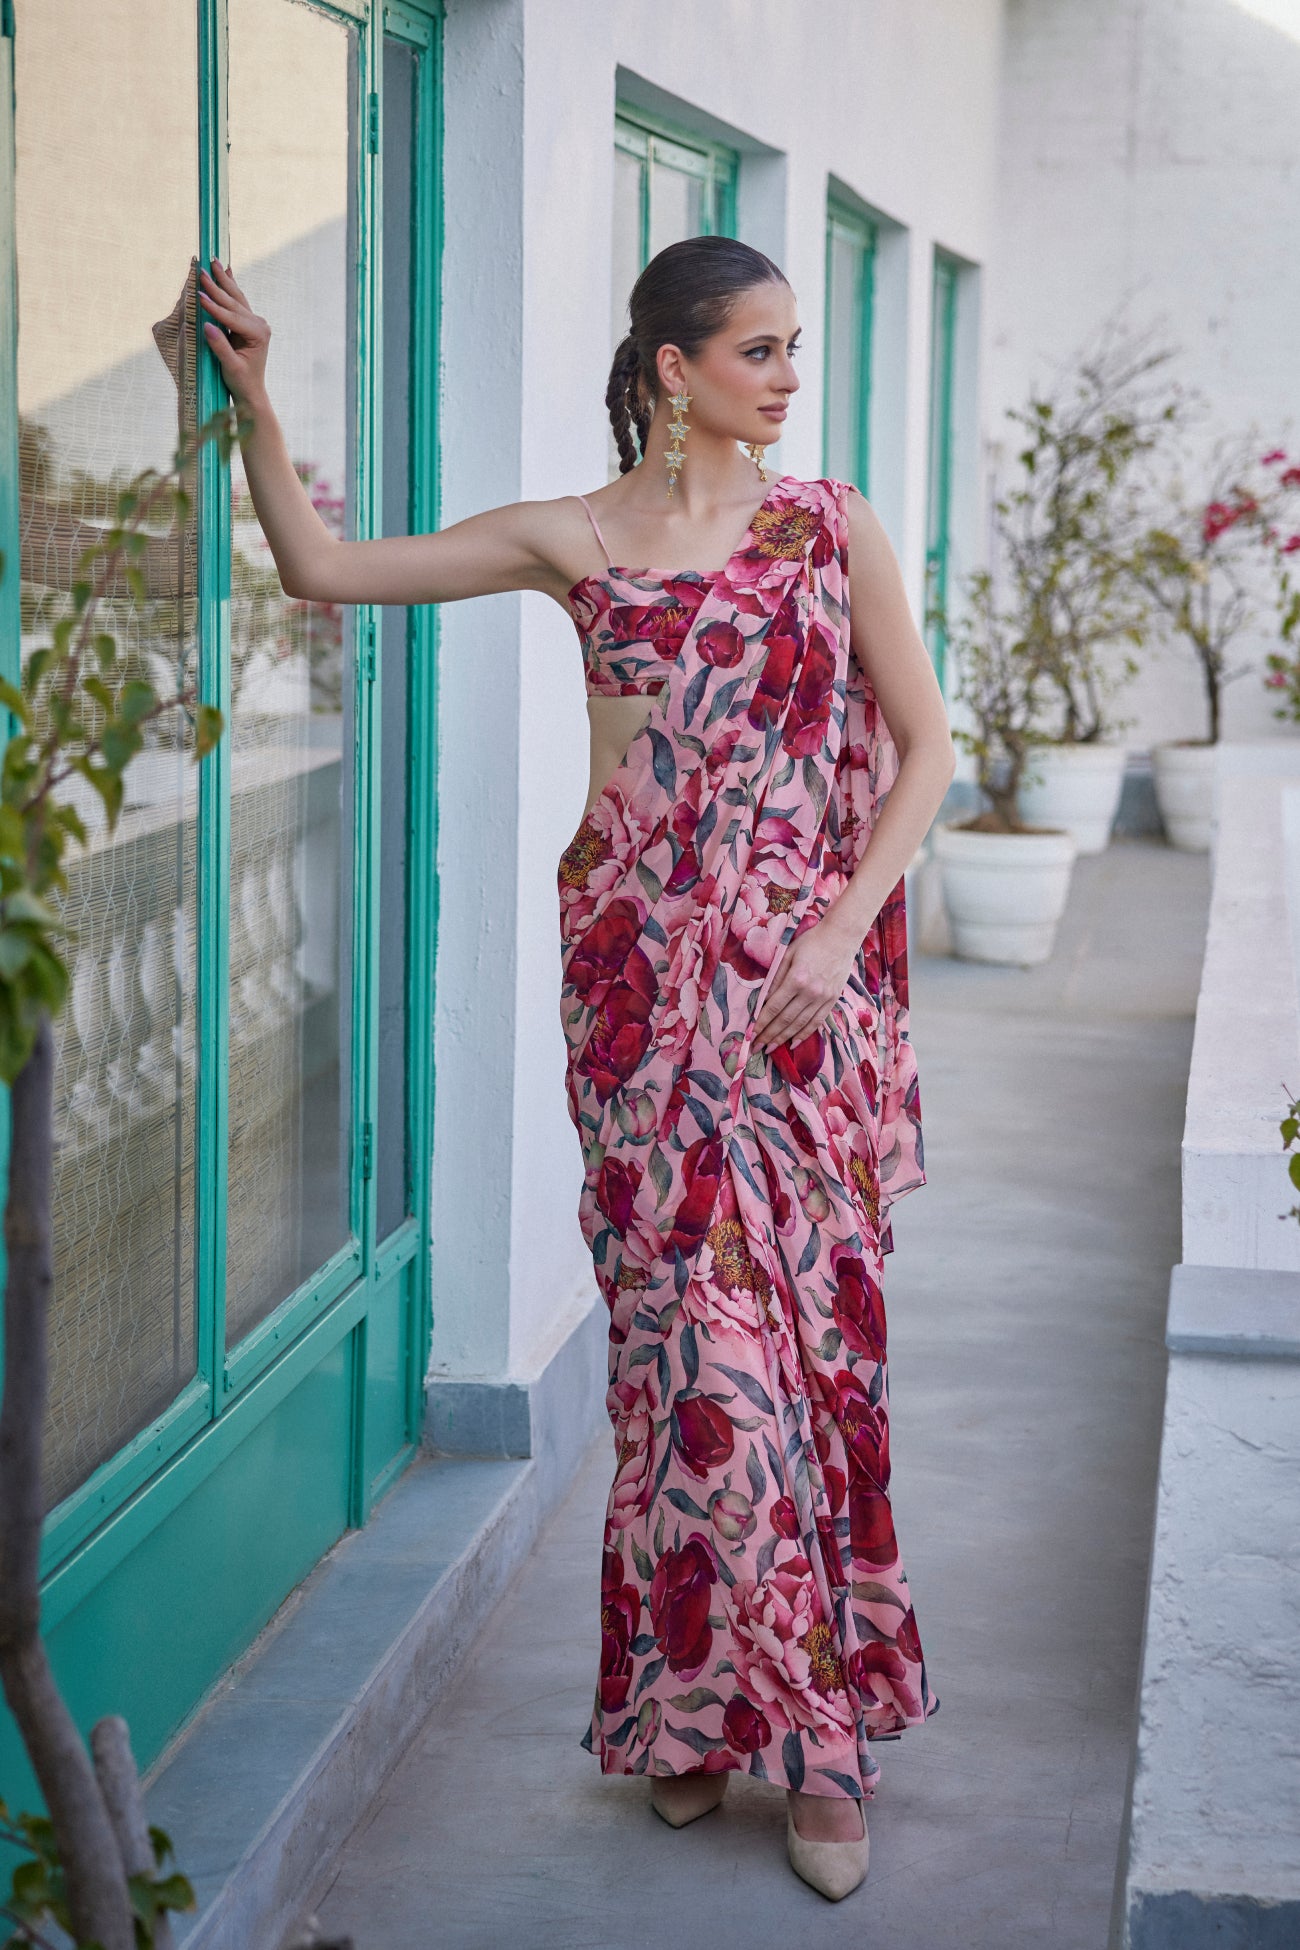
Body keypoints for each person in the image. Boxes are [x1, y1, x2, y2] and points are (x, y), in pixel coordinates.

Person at [199, 233, 956, 1903]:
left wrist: (833, 934)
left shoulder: (831, 531)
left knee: (800, 1370)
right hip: (634, 1016)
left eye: (793, 346)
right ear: (673, 368)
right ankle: (695, 1714)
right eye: (756, 350)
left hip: (794, 1017)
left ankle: (818, 1742)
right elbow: (324, 571)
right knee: (684, 1370)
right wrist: (260, 403)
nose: (785, 376)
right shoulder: (576, 541)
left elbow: (928, 747)